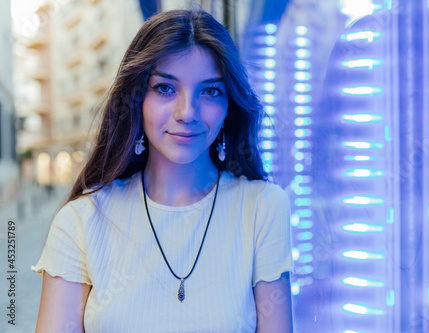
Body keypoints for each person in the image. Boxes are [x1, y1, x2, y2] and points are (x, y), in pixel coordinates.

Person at [31, 9, 294, 333]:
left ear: (229, 104)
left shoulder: (262, 209)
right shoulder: (80, 223)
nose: (187, 112)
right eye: (166, 89)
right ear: (136, 99)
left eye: (210, 91)